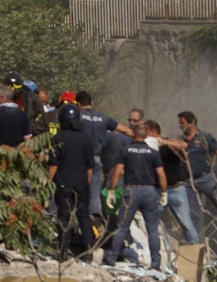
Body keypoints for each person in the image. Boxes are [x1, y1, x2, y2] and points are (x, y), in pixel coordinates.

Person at [103, 122, 167, 270]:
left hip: (131, 191)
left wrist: (112, 191)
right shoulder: (153, 153)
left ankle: (111, 258)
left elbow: (117, 172)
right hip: (150, 192)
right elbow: (161, 174)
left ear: (133, 134)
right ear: (145, 135)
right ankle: (156, 263)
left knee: (122, 227)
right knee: (152, 229)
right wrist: (164, 192)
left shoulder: (125, 151)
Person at [177, 110, 217, 238]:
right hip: (189, 183)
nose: (179, 126)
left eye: (182, 123)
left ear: (191, 124)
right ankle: (196, 245)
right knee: (192, 214)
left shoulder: (205, 137)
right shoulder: (180, 140)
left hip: (206, 178)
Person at [48, 104, 94, 259]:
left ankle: (63, 252)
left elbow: (54, 163)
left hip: (63, 183)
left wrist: (48, 182)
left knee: (63, 216)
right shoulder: (86, 138)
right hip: (81, 183)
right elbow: (90, 166)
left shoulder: (59, 138)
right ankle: (88, 251)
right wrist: (86, 183)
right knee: (83, 215)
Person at [77, 91, 132, 217]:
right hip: (96, 159)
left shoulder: (77, 116)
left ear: (78, 104)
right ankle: (94, 219)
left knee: (77, 191)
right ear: (91, 103)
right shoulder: (103, 117)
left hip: (80, 158)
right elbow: (124, 130)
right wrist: (141, 137)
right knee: (94, 194)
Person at [146, 121, 200, 245]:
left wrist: (163, 142)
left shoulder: (168, 143)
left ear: (153, 132)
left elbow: (183, 145)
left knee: (187, 225)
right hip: (158, 190)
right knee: (154, 222)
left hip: (177, 189)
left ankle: (197, 252)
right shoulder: (147, 146)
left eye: (147, 132)